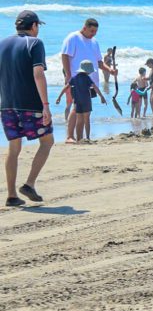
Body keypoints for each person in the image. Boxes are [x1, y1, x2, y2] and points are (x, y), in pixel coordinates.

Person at [0, 11, 54, 207]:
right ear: (34, 26)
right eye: (38, 26)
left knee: (14, 148)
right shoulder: (35, 43)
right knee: (47, 142)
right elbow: (38, 73)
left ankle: (12, 195)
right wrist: (46, 106)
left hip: (7, 105)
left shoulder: (2, 43)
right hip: (31, 105)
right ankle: (29, 184)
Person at [61, 19, 116, 143]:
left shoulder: (94, 42)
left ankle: (81, 137)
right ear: (84, 27)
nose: (94, 33)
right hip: (77, 80)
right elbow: (64, 55)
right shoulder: (73, 38)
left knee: (85, 111)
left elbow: (99, 62)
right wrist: (68, 74)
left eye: (96, 31)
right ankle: (70, 136)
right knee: (76, 109)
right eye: (92, 31)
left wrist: (110, 70)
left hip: (90, 82)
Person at [57, 59, 106, 142]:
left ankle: (79, 138)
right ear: (88, 71)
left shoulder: (74, 78)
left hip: (77, 102)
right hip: (86, 101)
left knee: (79, 120)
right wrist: (101, 96)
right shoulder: (87, 78)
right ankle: (87, 137)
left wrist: (59, 97)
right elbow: (95, 87)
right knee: (87, 120)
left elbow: (66, 87)